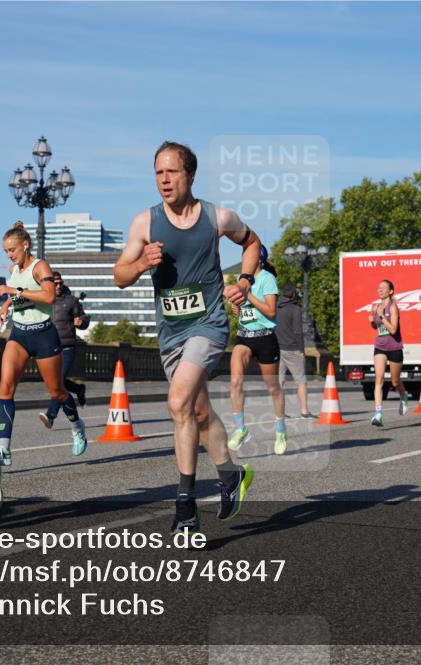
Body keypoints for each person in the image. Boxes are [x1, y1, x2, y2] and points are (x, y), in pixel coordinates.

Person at [113, 141, 259, 534]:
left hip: (209, 324)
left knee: (177, 402)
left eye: (172, 172)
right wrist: (142, 262)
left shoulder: (217, 216)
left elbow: (252, 243)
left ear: (190, 175)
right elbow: (120, 276)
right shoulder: (145, 223)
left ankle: (185, 509)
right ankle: (231, 475)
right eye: (158, 172)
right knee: (195, 412)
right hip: (171, 331)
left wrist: (244, 281)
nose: (164, 179)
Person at [0, 222, 87, 467]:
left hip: (44, 335)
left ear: (26, 245)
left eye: (12, 250)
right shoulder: (15, 269)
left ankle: (77, 427)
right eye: (6, 252)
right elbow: (16, 297)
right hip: (19, 335)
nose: (9, 255)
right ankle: (4, 450)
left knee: (57, 392)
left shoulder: (40, 266)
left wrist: (16, 290)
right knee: (5, 389)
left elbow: (48, 296)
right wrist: (5, 307)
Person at [226, 247, 287, 455]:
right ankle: (240, 428)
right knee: (235, 381)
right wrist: (236, 307)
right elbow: (241, 311)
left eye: (248, 258)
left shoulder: (267, 279)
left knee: (273, 388)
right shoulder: (240, 280)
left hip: (265, 337)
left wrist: (248, 294)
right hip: (244, 336)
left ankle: (280, 431)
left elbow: (270, 311)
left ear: (258, 260)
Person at [48, 271, 90, 409]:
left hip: (67, 347)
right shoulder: (44, 301)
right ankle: (78, 389)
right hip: (49, 347)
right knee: (54, 381)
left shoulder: (71, 300)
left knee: (58, 382)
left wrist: (81, 322)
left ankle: (51, 414)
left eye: (60, 283)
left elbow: (84, 318)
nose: (59, 286)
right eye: (55, 284)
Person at [368, 280, 408, 426]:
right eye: (379, 288)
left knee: (395, 381)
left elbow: (393, 330)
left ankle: (403, 396)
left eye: (384, 288)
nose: (380, 290)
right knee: (378, 379)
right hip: (380, 347)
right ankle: (378, 414)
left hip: (395, 347)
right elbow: (376, 327)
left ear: (391, 291)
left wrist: (382, 316)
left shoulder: (393, 307)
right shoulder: (377, 306)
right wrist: (372, 320)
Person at [276, 283, 314, 420]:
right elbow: (298, 332)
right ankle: (304, 411)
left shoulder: (275, 307)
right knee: (301, 381)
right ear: (293, 294)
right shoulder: (295, 309)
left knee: (280, 382)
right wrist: (302, 349)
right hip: (293, 349)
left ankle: (280, 413)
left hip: (277, 349)